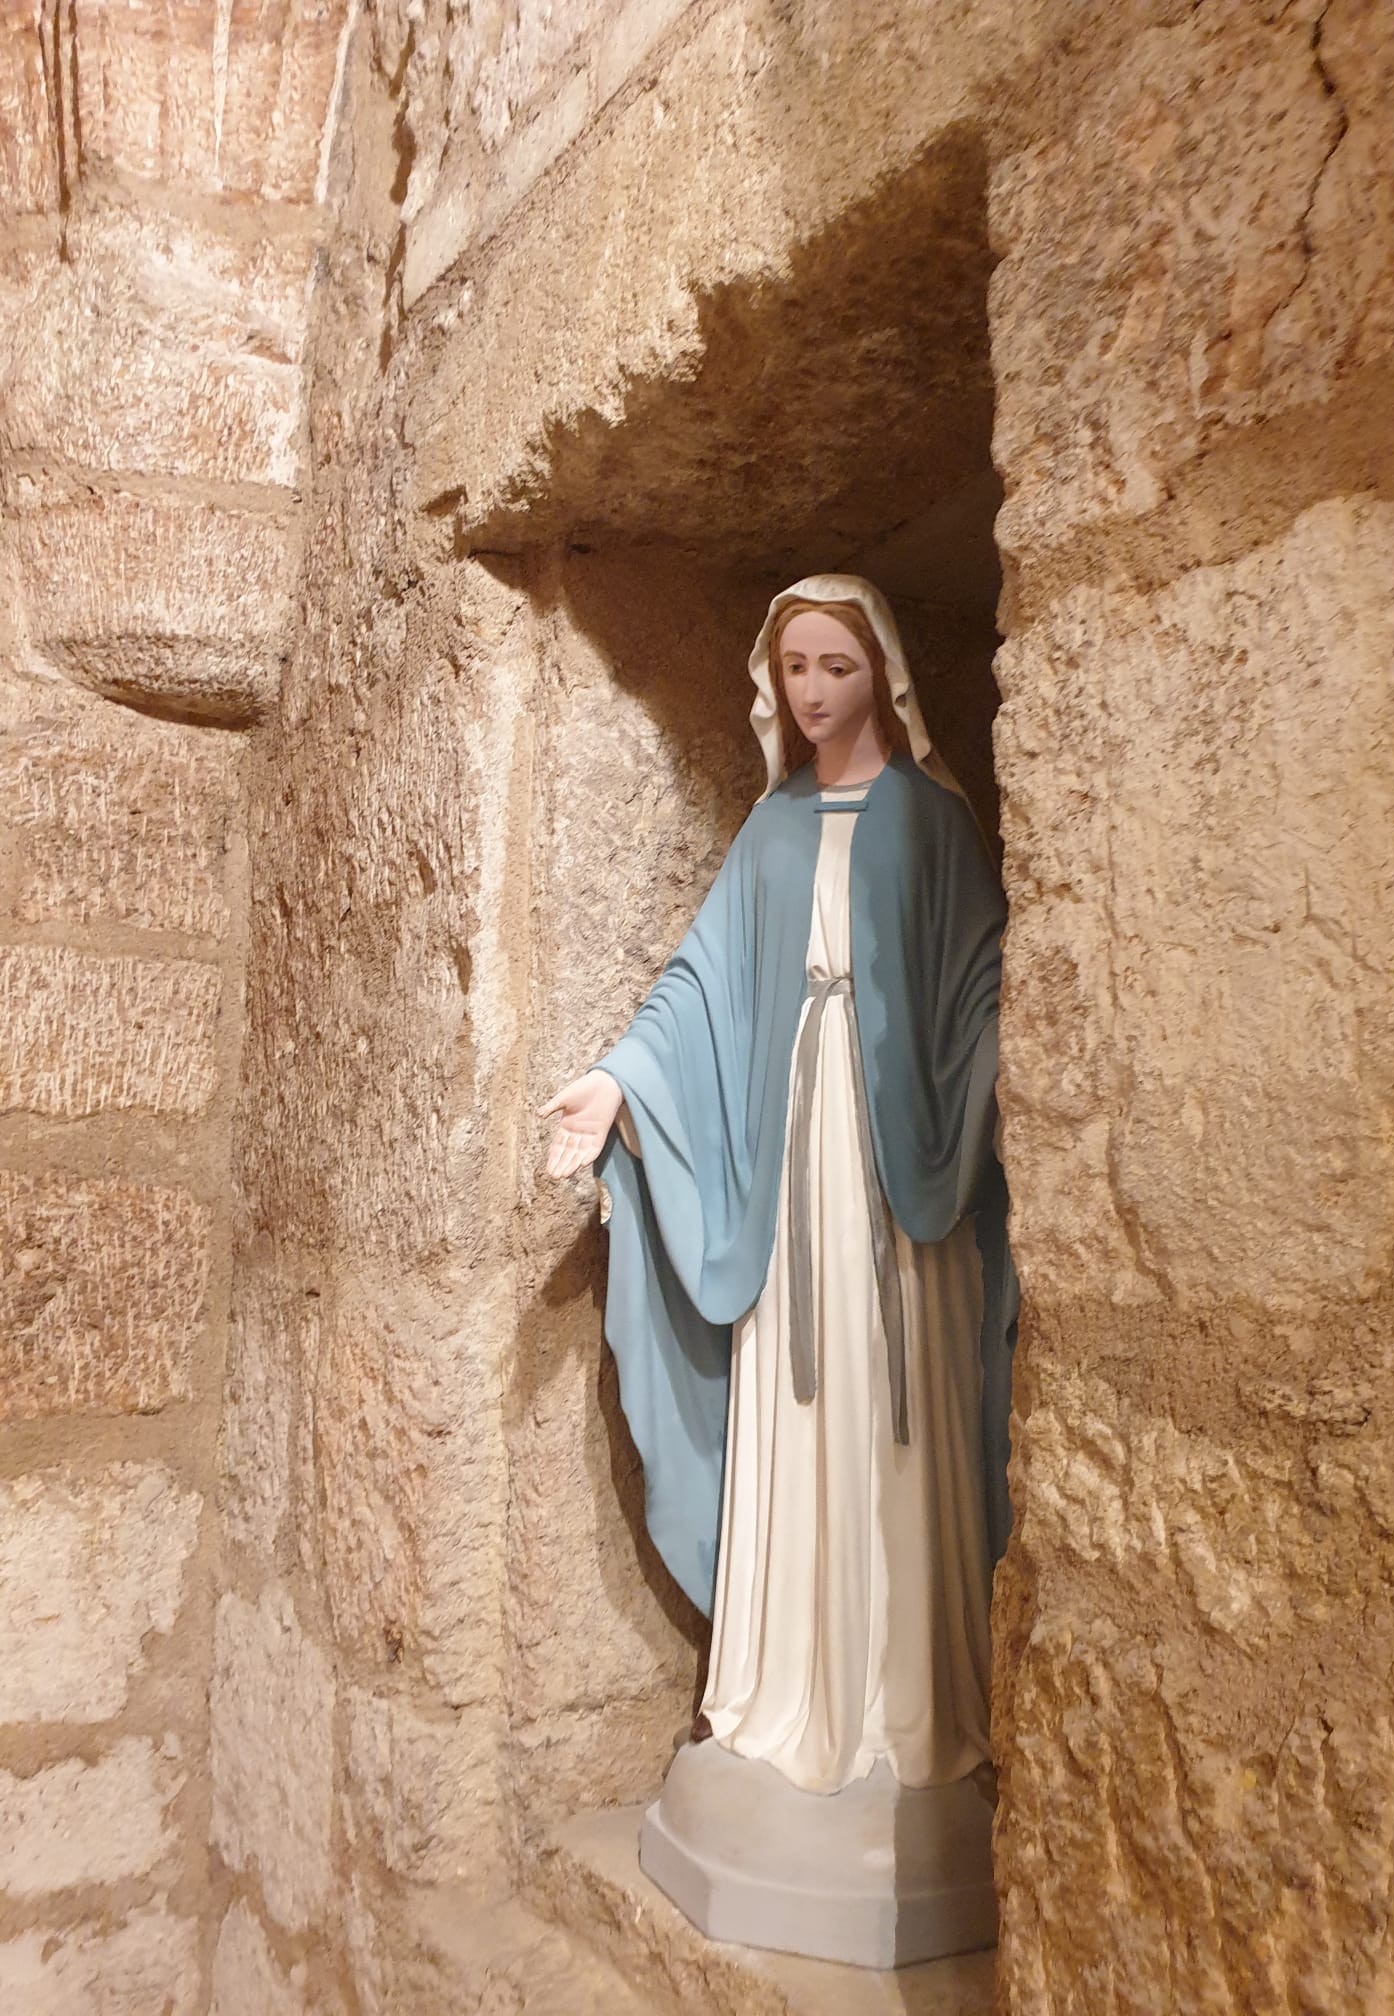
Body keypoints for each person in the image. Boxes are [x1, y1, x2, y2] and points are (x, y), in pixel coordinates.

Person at [540, 574, 1016, 1797]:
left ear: (882, 674)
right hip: (791, 1156)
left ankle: (904, 1699)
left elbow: (986, 977)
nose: (812, 691)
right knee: (799, 1383)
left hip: (899, 1169)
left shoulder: (932, 822)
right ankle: (789, 1681)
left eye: (835, 667)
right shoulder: (770, 833)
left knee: (893, 1380)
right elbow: (697, 989)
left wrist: (974, 1089)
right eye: (795, 666)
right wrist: (618, 1085)